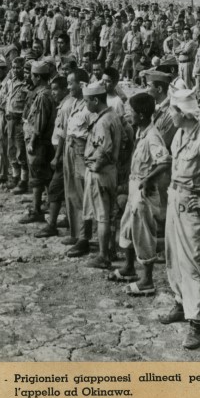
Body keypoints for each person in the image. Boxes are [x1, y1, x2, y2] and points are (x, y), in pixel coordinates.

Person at [159, 88, 200, 350]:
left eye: (172, 111)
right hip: (175, 200)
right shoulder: (180, 133)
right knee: (173, 256)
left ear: (183, 113)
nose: (170, 115)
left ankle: (196, 322)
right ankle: (180, 301)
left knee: (192, 264)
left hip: (192, 207)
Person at [109, 92, 171, 294]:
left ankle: (147, 280)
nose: (129, 114)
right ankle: (129, 268)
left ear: (141, 115)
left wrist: (149, 179)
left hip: (144, 191)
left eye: (132, 112)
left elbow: (164, 162)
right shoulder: (140, 132)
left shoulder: (152, 136)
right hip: (134, 186)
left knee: (143, 232)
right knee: (128, 227)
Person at [81, 81, 123, 269]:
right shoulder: (112, 116)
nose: (85, 105)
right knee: (108, 214)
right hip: (110, 171)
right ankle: (110, 250)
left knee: (102, 216)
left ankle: (103, 256)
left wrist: (96, 166)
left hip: (101, 173)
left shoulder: (103, 121)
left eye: (87, 101)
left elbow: (105, 150)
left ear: (96, 100)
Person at [19, 61, 56, 224]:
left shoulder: (42, 96)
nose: (31, 79)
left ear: (38, 77)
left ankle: (36, 210)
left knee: (37, 176)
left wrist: (32, 142)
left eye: (33, 76)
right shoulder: (47, 93)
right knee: (44, 174)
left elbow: (39, 123)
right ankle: (45, 203)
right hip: (43, 141)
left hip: (38, 142)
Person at [35, 75, 72, 238]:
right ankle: (69, 220)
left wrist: (57, 156)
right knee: (64, 189)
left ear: (65, 90)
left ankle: (52, 225)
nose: (53, 93)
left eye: (56, 89)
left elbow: (64, 134)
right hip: (61, 151)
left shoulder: (66, 107)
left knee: (55, 189)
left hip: (63, 153)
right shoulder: (63, 105)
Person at [64, 69, 94, 255]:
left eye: (71, 83)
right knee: (72, 192)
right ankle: (75, 232)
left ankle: (85, 238)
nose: (69, 87)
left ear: (82, 84)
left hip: (81, 151)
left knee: (84, 195)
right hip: (71, 147)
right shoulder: (75, 102)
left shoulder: (89, 105)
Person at [5, 57, 31, 192]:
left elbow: (28, 104)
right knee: (11, 149)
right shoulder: (11, 81)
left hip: (20, 120)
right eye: (13, 67)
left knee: (21, 150)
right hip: (10, 119)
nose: (15, 70)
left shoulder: (27, 83)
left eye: (18, 68)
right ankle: (15, 176)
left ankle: (24, 180)